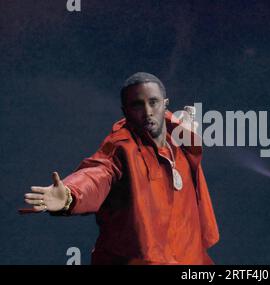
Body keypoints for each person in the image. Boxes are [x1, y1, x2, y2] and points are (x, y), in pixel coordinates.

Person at [22, 72, 219, 265]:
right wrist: (70, 195)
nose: (147, 111)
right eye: (137, 105)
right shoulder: (121, 148)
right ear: (125, 111)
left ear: (165, 104)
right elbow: (97, 174)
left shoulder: (180, 139)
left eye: (153, 102)